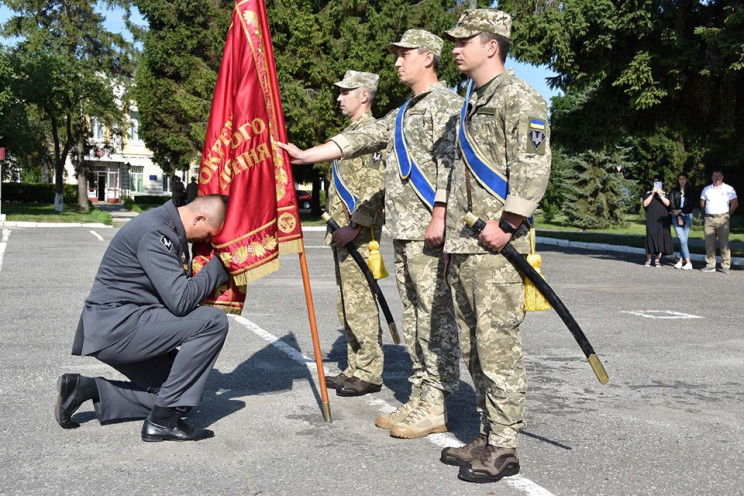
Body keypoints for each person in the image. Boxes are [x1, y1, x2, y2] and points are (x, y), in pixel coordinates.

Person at [279, 30, 462, 439]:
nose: (397, 62)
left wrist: (441, 213)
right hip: (405, 232)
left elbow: (452, 164)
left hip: (429, 232)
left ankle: (438, 400)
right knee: (414, 319)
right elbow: (365, 136)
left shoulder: (447, 104)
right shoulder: (403, 112)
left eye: (404, 55)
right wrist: (308, 155)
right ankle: (421, 394)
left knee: (436, 320)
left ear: (428, 58)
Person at [438, 10, 551, 483]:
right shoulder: (473, 100)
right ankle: (486, 433)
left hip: (498, 247)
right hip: (466, 245)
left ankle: (504, 446)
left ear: (492, 45)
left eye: (465, 40)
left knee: (497, 345)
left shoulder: (519, 97)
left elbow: (532, 166)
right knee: (473, 346)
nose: (456, 47)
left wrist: (508, 222)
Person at [55, 194, 231, 442]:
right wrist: (219, 267)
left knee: (179, 398)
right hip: (117, 327)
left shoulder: (167, 227)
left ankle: (87, 389)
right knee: (213, 322)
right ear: (199, 217)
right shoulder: (157, 232)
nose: (209, 240)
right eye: (210, 234)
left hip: (122, 324)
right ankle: (161, 423)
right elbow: (180, 301)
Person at [323, 70, 387, 397]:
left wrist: (356, 225)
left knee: (360, 304)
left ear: (364, 95)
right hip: (342, 235)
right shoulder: (349, 133)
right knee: (346, 304)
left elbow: (375, 184)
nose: (339, 98)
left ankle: (369, 371)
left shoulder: (372, 134)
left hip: (357, 236)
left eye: (345, 92)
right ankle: (354, 366)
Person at [699, 169, 738, 273]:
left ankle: (725, 265)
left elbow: (734, 203)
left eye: (719, 175)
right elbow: (702, 203)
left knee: (724, 242)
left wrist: (727, 215)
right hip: (709, 218)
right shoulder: (706, 189)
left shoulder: (729, 189)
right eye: (714, 175)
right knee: (709, 243)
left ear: (722, 177)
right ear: (712, 177)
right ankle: (710, 265)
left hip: (723, 218)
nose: (717, 177)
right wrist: (709, 212)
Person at [641, 176, 673, 267]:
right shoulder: (648, 193)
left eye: (659, 183)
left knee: (661, 238)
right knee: (650, 237)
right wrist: (652, 193)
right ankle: (648, 259)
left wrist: (660, 194)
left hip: (663, 220)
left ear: (662, 184)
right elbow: (645, 204)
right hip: (652, 219)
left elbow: (668, 204)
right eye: (655, 182)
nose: (657, 184)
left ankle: (657, 260)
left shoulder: (665, 194)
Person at [668, 172, 695, 269]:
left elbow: (691, 205)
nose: (682, 181)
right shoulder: (674, 191)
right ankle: (688, 262)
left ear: (686, 180)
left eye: (683, 179)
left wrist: (681, 210)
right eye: (680, 179)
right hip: (676, 217)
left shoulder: (691, 191)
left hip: (688, 216)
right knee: (682, 239)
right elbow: (672, 204)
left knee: (684, 240)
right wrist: (679, 215)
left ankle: (680, 260)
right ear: (678, 180)